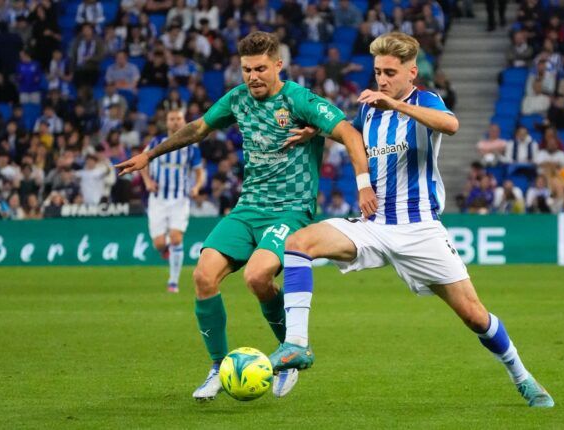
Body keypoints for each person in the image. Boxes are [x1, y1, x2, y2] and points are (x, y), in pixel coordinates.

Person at [267, 32, 554, 408]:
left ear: (411, 72)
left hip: (420, 229)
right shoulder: (369, 109)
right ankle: (296, 346)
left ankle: (523, 377)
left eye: (389, 72)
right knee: (298, 244)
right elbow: (358, 141)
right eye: (377, 72)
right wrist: (316, 132)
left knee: (474, 316)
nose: (381, 80)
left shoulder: (425, 100)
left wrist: (395, 104)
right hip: (374, 224)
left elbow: (450, 126)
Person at [115, 31, 375, 401]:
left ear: (278, 65)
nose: (253, 76)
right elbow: (198, 128)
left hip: (290, 209)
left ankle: (290, 352)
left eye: (260, 68)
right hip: (247, 207)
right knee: (203, 276)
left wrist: (362, 183)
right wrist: (150, 155)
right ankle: (219, 367)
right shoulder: (237, 99)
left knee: (256, 276)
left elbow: (349, 132)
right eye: (246, 69)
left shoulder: (299, 99)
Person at [140, 109, 205, 293]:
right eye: (171, 119)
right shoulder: (155, 142)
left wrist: (196, 187)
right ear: (166, 122)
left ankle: (173, 282)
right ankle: (165, 250)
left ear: (184, 121)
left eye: (178, 119)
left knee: (176, 238)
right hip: (158, 200)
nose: (175, 122)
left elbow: (199, 172)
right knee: (159, 243)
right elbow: (142, 162)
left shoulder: (192, 147)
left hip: (179, 199)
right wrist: (147, 181)